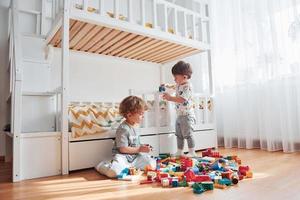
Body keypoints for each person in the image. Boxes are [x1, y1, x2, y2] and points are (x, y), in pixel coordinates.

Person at [95, 96, 156, 178]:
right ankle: (102, 166)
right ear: (129, 115)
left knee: (151, 165)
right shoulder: (123, 129)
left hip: (135, 157)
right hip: (123, 157)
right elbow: (122, 149)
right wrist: (140, 149)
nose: (143, 116)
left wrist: (143, 147)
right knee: (113, 173)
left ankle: (130, 168)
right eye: (141, 114)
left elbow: (135, 144)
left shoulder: (136, 126)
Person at [162, 61, 197, 157]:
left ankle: (192, 152)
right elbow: (174, 86)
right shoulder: (179, 84)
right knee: (179, 135)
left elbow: (182, 99)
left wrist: (170, 98)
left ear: (184, 77)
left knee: (188, 134)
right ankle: (179, 151)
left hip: (187, 115)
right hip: (180, 115)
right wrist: (167, 85)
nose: (174, 79)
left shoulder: (187, 87)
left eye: (176, 77)